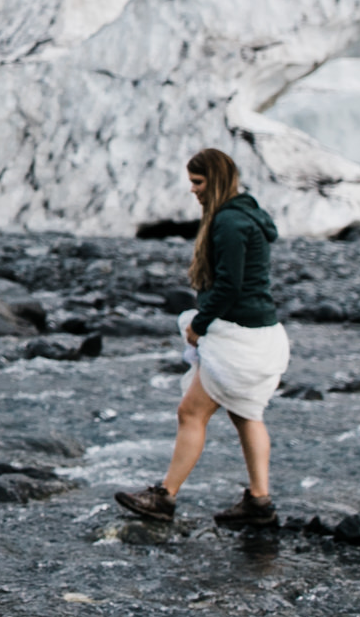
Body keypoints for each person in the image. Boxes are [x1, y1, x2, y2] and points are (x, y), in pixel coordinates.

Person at [115, 147, 289, 528]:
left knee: (191, 412)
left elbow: (230, 285)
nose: (193, 190)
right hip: (261, 333)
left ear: (216, 180)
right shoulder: (248, 213)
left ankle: (165, 497)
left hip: (236, 337)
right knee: (247, 415)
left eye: (198, 182)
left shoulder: (229, 222)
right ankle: (260, 503)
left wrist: (201, 324)